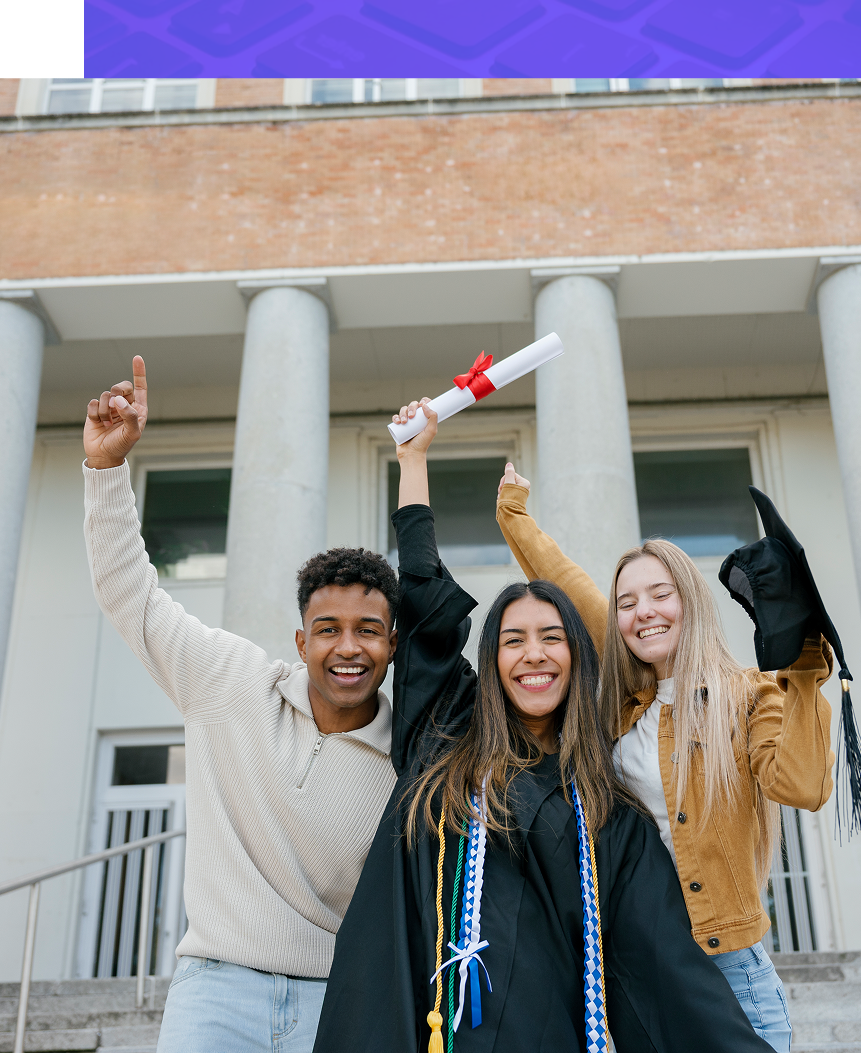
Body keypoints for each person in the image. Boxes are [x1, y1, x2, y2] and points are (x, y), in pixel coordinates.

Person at [312, 398, 778, 1053]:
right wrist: (412, 460)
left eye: (553, 637)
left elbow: (668, 970)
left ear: (578, 658)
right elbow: (421, 591)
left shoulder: (608, 812)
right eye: (514, 639)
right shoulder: (443, 743)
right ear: (492, 660)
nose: (533, 653)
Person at [83, 357, 401, 1053]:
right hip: (216, 989)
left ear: (392, 642)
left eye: (368, 630)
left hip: (335, 998)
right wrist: (106, 472)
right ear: (301, 639)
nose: (348, 647)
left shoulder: (409, 755)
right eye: (328, 629)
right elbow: (130, 594)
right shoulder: (228, 680)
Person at [495, 463, 836, 1053]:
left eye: (660, 594)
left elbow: (803, 786)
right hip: (639, 960)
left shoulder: (750, 698)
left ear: (690, 601)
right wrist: (514, 512)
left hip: (727, 971)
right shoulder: (626, 701)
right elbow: (566, 583)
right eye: (626, 602)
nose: (642, 611)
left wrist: (803, 672)